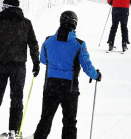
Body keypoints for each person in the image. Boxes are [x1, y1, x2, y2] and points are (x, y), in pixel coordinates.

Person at [32, 11, 101, 139]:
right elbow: (86, 65)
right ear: (75, 24)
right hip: (69, 87)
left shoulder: (48, 41)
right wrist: (95, 75)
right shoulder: (79, 44)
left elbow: (43, 59)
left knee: (46, 118)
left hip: (50, 85)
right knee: (69, 122)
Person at [0, 0, 40, 139]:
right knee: (16, 99)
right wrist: (36, 62)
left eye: (3, 6)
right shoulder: (26, 23)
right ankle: (14, 131)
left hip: (1, 65)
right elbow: (33, 44)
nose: (1, 9)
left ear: (8, 7)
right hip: (19, 67)